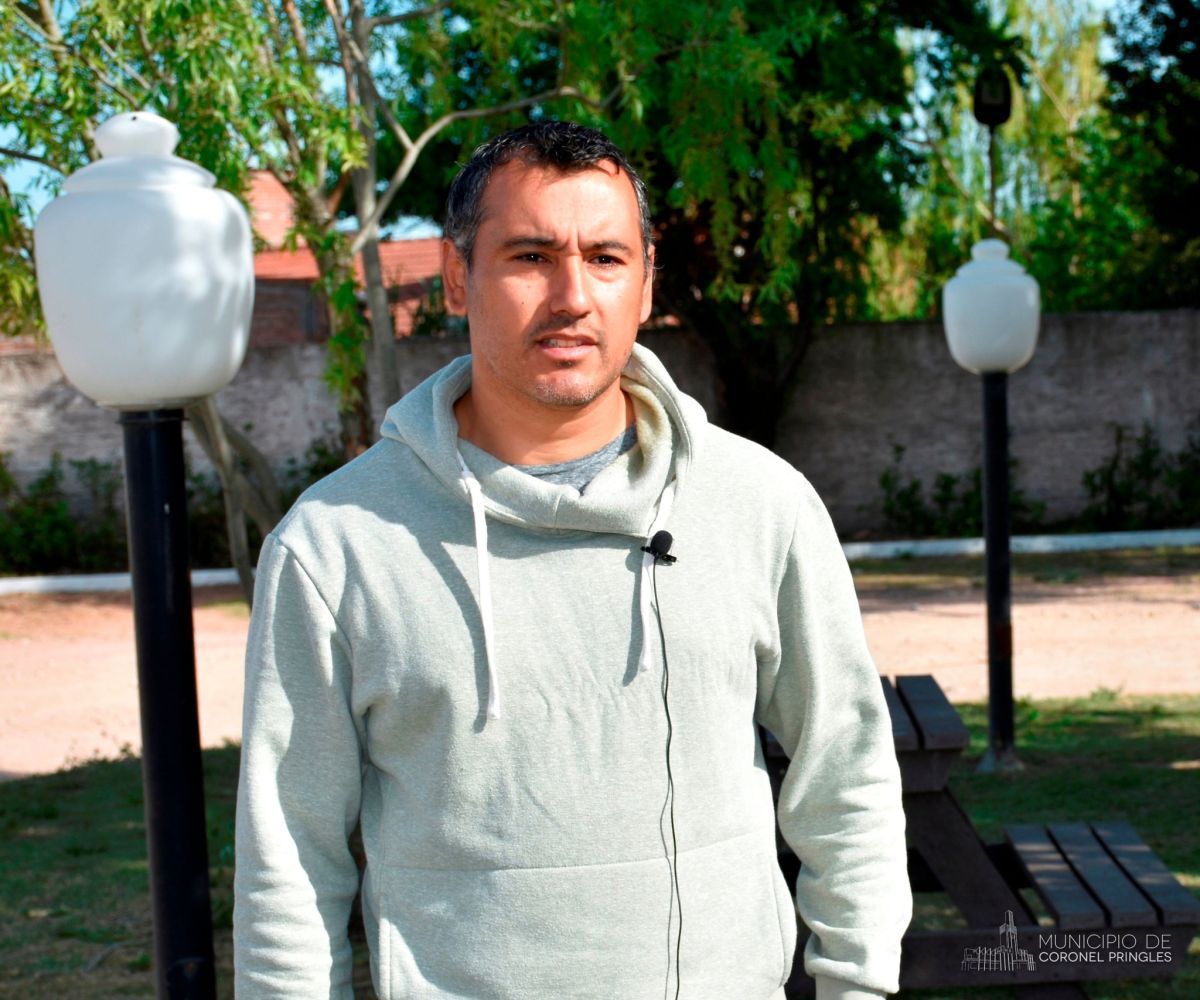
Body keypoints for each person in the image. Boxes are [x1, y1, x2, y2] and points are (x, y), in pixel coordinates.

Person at [234, 121, 911, 1000]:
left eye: (605, 257)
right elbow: (289, 854)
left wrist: (859, 985)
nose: (572, 296)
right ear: (456, 278)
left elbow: (846, 775)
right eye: (530, 257)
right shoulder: (336, 544)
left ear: (646, 282)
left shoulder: (760, 505)